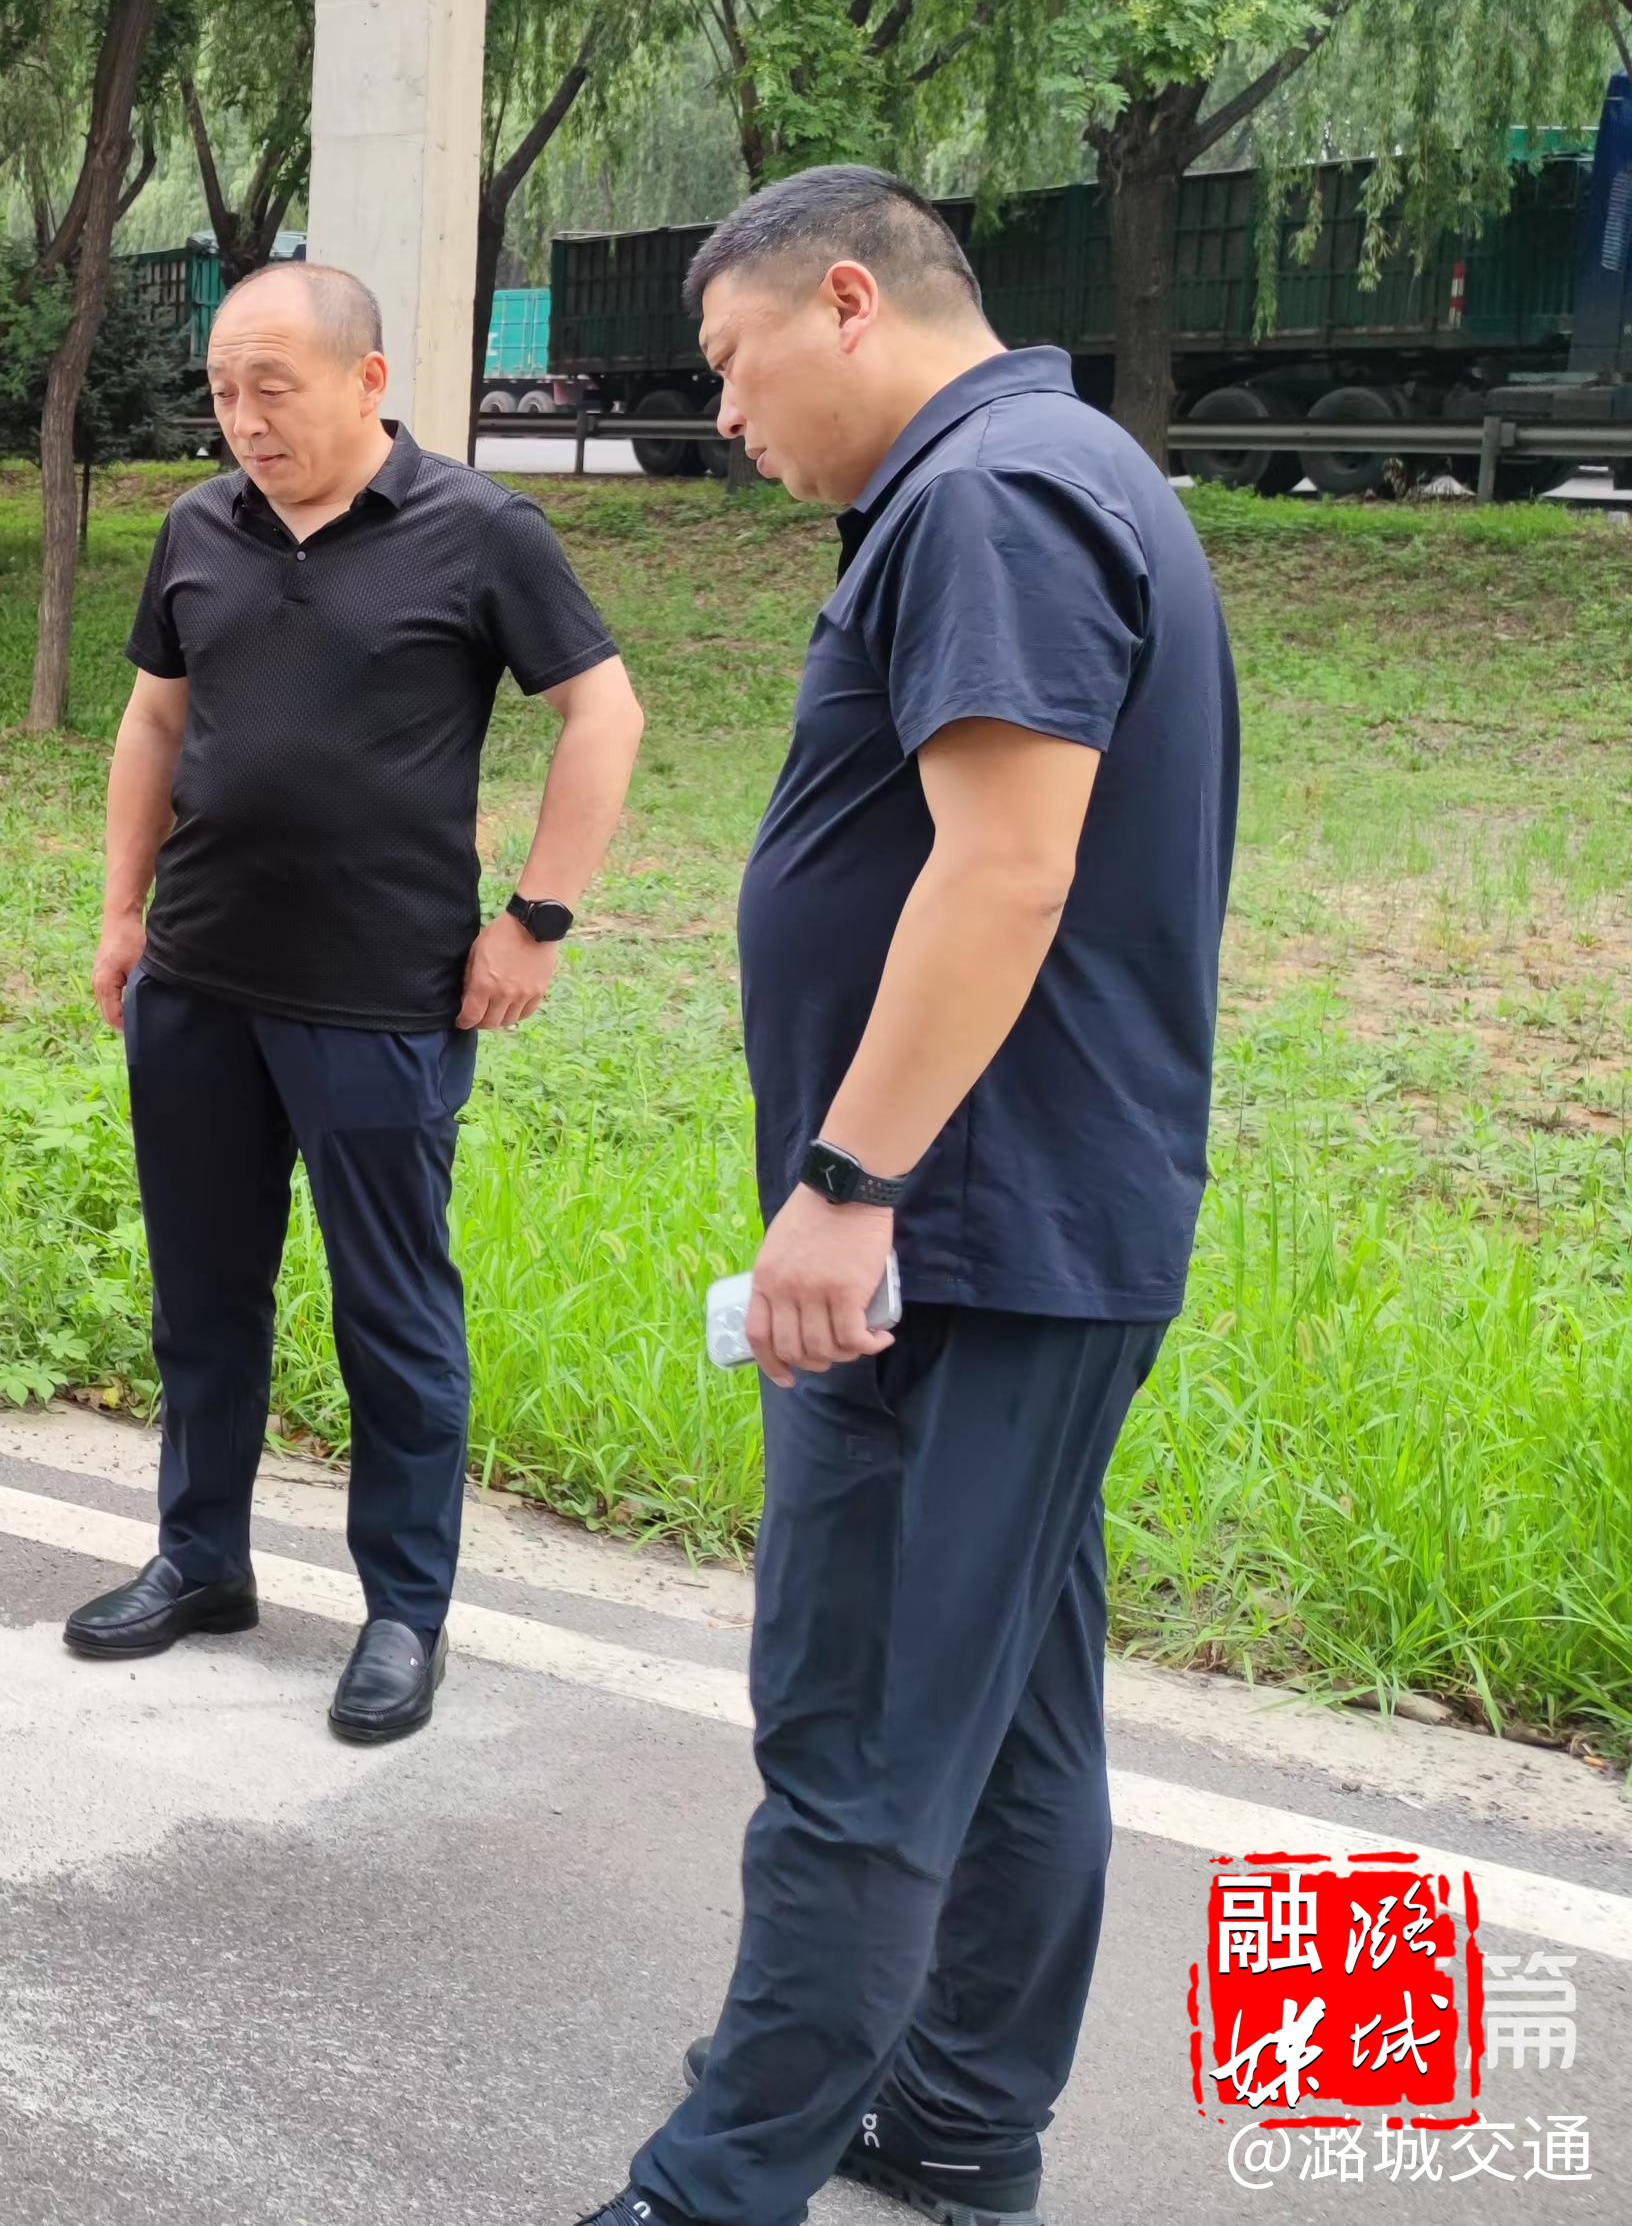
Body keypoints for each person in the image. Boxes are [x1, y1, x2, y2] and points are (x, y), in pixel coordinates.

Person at [575, 167, 1237, 2226]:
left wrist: (850, 1183)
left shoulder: (992, 496)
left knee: (858, 1717)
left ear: (846, 301)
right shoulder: (1043, 471)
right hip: (1027, 1220)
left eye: (730, 362)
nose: (723, 415)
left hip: (953, 1229)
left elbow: (1006, 866)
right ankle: (955, 2120)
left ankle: (718, 2185)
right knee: (1010, 1709)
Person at [62, 263, 646, 1746]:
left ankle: (403, 1609)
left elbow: (603, 710)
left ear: (368, 379)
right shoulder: (199, 528)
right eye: (223, 392)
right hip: (199, 982)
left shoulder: (481, 530)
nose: (245, 421)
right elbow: (155, 718)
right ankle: (202, 1557)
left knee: (392, 1310)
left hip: (381, 997)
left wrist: (537, 919)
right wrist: (123, 911)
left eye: (275, 388)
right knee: (203, 1295)